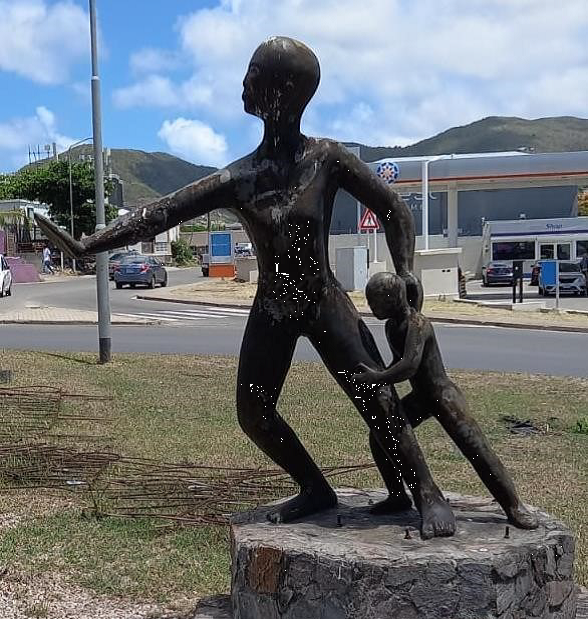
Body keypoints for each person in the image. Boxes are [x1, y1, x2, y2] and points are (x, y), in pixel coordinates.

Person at [36, 36, 455, 539]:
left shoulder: (328, 159)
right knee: (253, 414)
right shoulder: (240, 176)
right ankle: (315, 488)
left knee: (378, 400)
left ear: (282, 90)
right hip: (273, 307)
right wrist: (91, 244)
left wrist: (405, 268)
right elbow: (160, 213)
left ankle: (427, 493)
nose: (243, 81)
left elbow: (393, 207)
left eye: (253, 72)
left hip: (322, 300)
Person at [351, 272, 538, 530]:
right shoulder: (392, 326)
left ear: (393, 299)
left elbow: (409, 366)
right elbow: (399, 361)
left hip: (443, 395)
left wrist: (377, 378)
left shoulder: (418, 324)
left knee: (476, 448)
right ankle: (397, 496)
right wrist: (381, 379)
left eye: (375, 302)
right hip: (421, 397)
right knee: (379, 437)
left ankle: (514, 506)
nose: (371, 308)